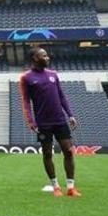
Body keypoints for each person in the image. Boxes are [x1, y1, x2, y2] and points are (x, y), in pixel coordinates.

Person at [20, 47, 81, 197]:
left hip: (60, 120)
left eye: (47, 55)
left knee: (68, 150)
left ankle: (71, 188)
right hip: (43, 123)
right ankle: (56, 187)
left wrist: (70, 115)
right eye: (44, 55)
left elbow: (61, 96)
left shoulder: (53, 75)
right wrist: (31, 122)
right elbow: (26, 101)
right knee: (47, 154)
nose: (47, 58)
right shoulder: (26, 78)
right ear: (35, 58)